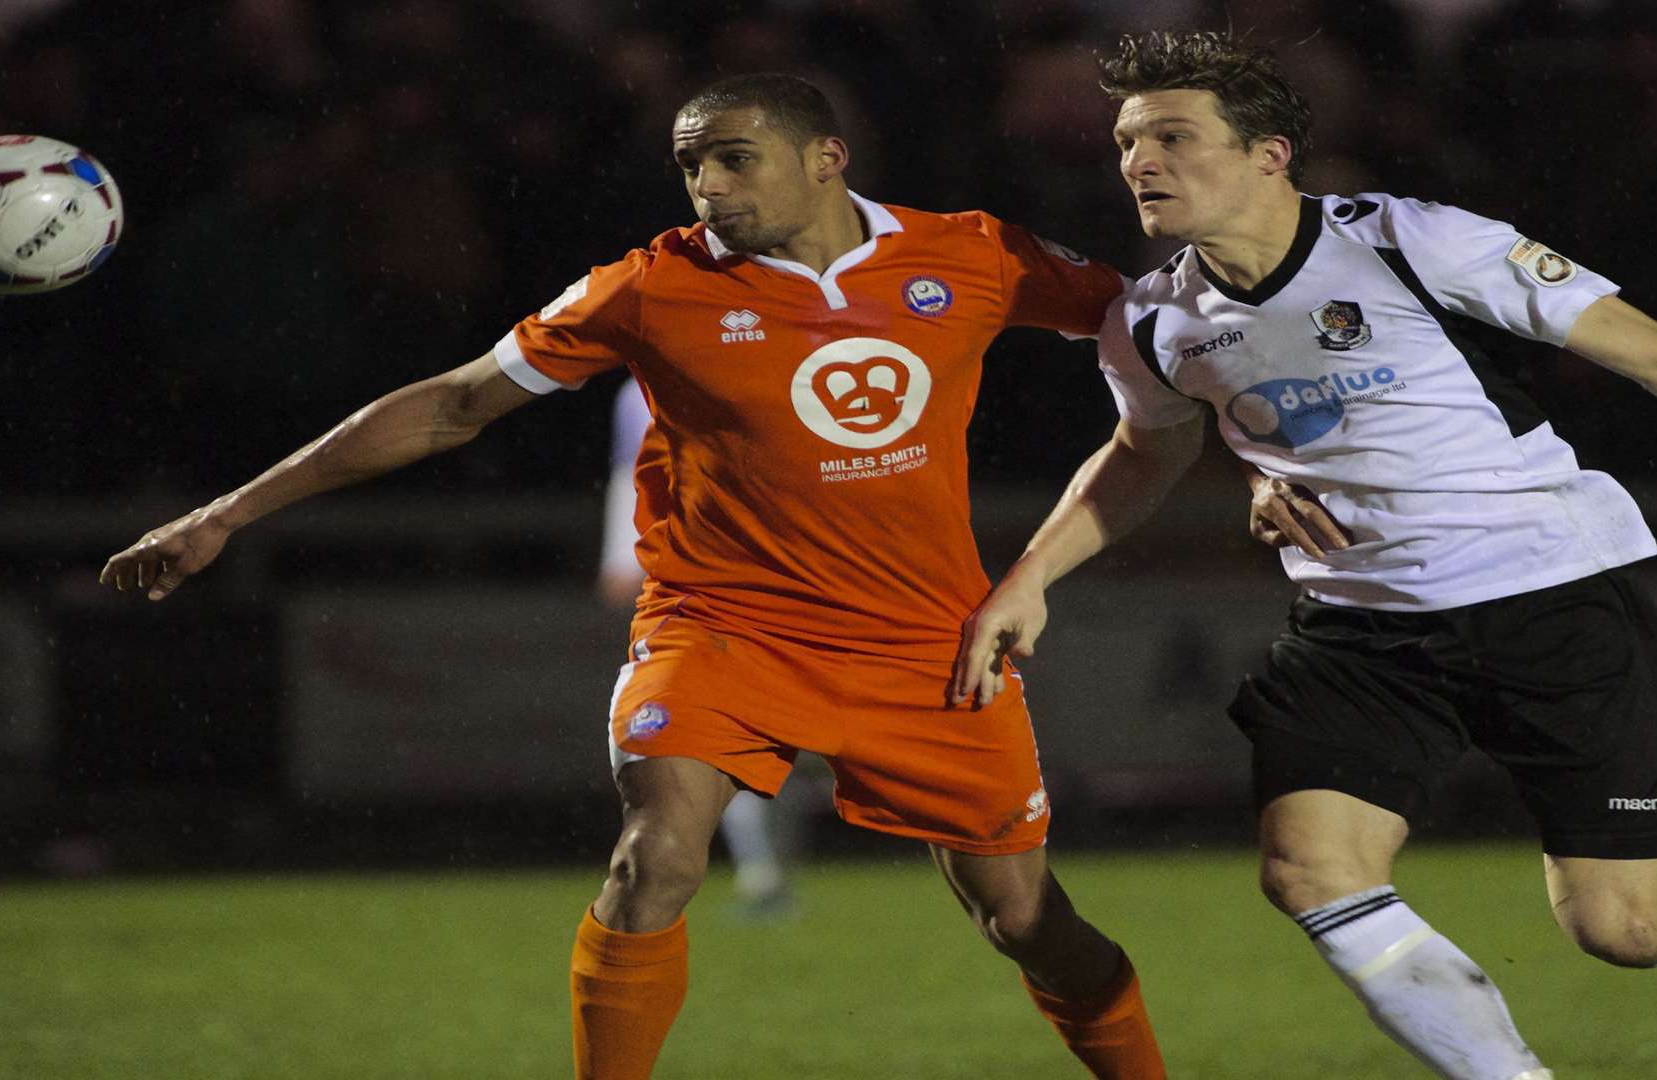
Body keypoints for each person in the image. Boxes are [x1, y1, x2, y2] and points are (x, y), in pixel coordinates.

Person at [102, 74, 1166, 1080]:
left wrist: (1285, 453)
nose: (708, 188)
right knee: (654, 856)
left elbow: (1169, 330)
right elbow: (454, 403)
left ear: (826, 157)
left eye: (735, 161)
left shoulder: (972, 255)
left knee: (1027, 925)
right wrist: (226, 513)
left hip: (925, 641)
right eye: (691, 166)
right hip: (722, 629)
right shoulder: (653, 285)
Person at [948, 30, 1657, 1080]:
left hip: (1546, 600)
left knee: (1618, 935)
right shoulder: (1154, 319)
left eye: (1173, 135)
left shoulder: (1414, 242)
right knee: (1308, 868)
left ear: (1270, 154)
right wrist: (1031, 579)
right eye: (1128, 141)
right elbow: (1144, 453)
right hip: (1357, 630)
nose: (1140, 162)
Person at [599, 374, 793, 918]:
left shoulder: (757, 356)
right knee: (718, 737)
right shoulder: (636, 393)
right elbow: (631, 475)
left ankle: (770, 863)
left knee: (781, 742)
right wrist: (619, 556)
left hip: (778, 585)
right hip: (696, 596)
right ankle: (762, 870)